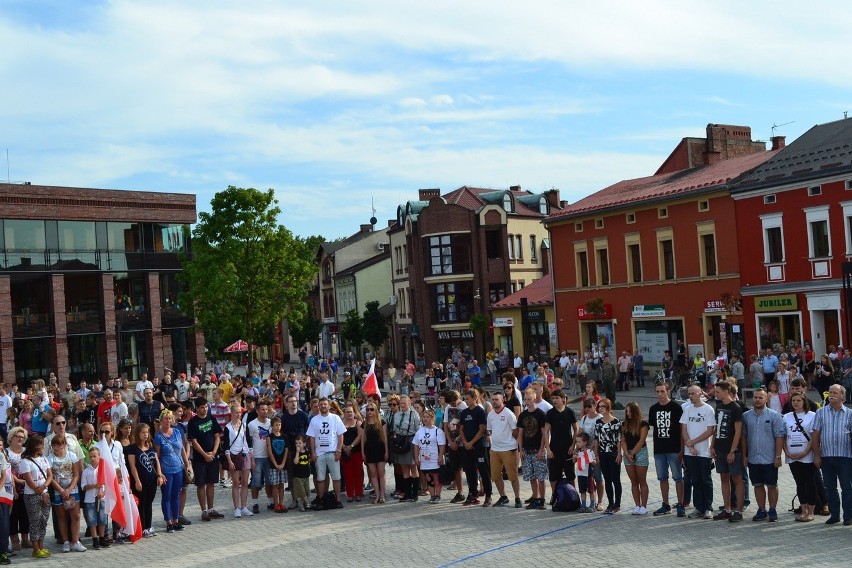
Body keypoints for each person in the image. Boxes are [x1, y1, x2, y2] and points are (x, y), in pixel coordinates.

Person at [742, 387, 786, 522]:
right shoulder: (746, 416)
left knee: (772, 485)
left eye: (760, 397)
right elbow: (743, 437)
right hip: (753, 458)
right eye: (755, 397)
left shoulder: (774, 416)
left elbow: (779, 436)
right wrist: (744, 456)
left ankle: (772, 510)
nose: (757, 400)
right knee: (757, 485)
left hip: (769, 459)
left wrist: (778, 456)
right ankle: (761, 509)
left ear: (766, 399)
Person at [812, 384, 852, 526]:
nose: (832, 395)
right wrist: (817, 455)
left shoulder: (850, 413)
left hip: (845, 456)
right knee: (830, 487)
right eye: (830, 392)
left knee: (847, 487)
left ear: (842, 396)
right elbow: (815, 435)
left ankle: (848, 515)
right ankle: (834, 515)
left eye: (835, 392)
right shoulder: (821, 413)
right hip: (827, 456)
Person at [648, 381, 685, 517]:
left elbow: (682, 430)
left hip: (674, 448)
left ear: (668, 391)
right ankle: (665, 504)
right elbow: (652, 429)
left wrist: (682, 449)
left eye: (662, 391)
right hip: (659, 449)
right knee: (662, 478)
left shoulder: (676, 407)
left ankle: (680, 504)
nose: (660, 394)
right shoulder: (653, 409)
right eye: (657, 391)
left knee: (678, 477)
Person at [680, 384, 716, 519]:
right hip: (690, 452)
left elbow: (710, 430)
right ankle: (698, 507)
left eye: (693, 394)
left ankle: (708, 507)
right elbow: (684, 429)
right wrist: (689, 446)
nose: (690, 396)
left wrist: (693, 442)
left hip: (704, 452)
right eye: (689, 394)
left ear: (700, 393)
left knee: (705, 480)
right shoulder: (687, 409)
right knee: (694, 479)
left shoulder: (708, 409)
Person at [711, 381, 745, 522]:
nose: (716, 394)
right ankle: (727, 508)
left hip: (732, 451)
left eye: (718, 391)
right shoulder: (718, 407)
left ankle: (738, 510)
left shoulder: (736, 408)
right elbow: (716, 428)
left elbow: (738, 432)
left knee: (737, 479)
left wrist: (733, 451)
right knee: (723, 479)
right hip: (719, 449)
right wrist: (712, 446)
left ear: (726, 392)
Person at [153, 409, 189, 533]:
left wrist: (187, 463)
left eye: (170, 418)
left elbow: (182, 449)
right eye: (165, 419)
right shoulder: (158, 437)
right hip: (166, 470)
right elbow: (156, 456)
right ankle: (168, 522)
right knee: (166, 496)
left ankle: (176, 520)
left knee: (176, 495)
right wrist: (160, 473)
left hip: (178, 468)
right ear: (161, 420)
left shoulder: (177, 432)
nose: (168, 421)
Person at [47, 435, 86, 552]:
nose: (56, 447)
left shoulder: (72, 456)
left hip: (72, 491)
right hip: (58, 492)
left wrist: (69, 489)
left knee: (75, 516)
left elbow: (76, 474)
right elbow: (51, 477)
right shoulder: (50, 458)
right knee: (62, 517)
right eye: (53, 445)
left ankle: (75, 541)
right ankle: (65, 542)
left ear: (64, 445)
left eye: (58, 444)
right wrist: (61, 490)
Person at [307, 398, 346, 510]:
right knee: (320, 478)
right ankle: (321, 499)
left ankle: (338, 500)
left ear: (329, 406)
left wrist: (339, 450)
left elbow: (340, 435)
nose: (323, 406)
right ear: (318, 406)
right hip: (319, 453)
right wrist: (313, 452)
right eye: (321, 404)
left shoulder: (335, 418)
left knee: (336, 477)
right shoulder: (314, 420)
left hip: (332, 452)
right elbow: (312, 437)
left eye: (325, 404)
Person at [783, 392, 818, 522]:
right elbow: (783, 436)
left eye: (798, 400)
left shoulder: (812, 416)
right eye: (793, 400)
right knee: (799, 483)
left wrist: (806, 452)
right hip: (792, 455)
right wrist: (786, 452)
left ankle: (811, 511)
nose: (796, 403)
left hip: (807, 456)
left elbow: (814, 436)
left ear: (804, 402)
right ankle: (803, 510)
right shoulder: (786, 417)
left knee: (810, 482)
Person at [187, 398, 223, 521]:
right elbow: (194, 441)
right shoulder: (193, 422)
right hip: (199, 458)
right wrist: (204, 455)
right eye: (202, 407)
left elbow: (217, 436)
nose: (205, 409)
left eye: (206, 407)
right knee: (201, 484)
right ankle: (203, 511)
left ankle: (211, 509)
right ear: (197, 408)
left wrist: (214, 451)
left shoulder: (212, 419)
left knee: (211, 483)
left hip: (212, 456)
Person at [19, 434, 52, 559]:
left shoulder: (43, 458)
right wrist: (41, 492)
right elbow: (29, 481)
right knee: (35, 521)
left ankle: (41, 546)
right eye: (40, 444)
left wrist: (44, 488)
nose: (42, 446)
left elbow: (50, 475)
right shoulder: (25, 461)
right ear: (33, 446)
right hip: (32, 495)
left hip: (45, 492)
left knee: (43, 521)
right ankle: (35, 549)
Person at [126, 423, 162, 537]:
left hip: (151, 479)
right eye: (143, 432)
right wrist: (137, 481)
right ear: (138, 434)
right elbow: (133, 466)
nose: (145, 435)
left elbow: (157, 462)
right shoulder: (133, 448)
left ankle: (148, 526)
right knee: (141, 504)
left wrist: (160, 475)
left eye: (147, 432)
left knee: (149, 503)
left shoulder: (150, 446)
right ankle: (142, 527)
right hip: (141, 480)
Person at [487, 391, 521, 508]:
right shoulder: (490, 415)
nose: (494, 401)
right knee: (496, 476)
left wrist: (516, 448)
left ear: (502, 400)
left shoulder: (509, 414)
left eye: (497, 399)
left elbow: (515, 431)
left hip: (508, 448)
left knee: (513, 476)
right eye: (493, 399)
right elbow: (490, 431)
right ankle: (503, 497)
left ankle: (517, 498)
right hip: (495, 449)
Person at [543, 390, 578, 505]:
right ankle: (555, 496)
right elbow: (546, 431)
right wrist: (548, 449)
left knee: (570, 474)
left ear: (563, 399)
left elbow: (576, 429)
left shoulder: (570, 412)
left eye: (557, 398)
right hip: (554, 448)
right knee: (553, 475)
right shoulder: (550, 413)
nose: (554, 400)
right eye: (553, 398)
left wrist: (573, 446)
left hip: (568, 448)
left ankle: (574, 496)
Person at [517, 390, 548, 510]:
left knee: (541, 477)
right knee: (531, 477)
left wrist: (541, 449)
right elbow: (520, 433)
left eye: (529, 399)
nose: (527, 402)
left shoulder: (540, 414)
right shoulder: (523, 415)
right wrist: (521, 450)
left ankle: (542, 500)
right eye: (526, 399)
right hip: (527, 449)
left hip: (537, 449)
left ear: (534, 399)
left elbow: (544, 433)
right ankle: (535, 498)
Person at [389, 395, 422, 502]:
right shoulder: (397, 415)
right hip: (400, 441)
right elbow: (395, 429)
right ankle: (407, 493)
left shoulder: (414, 414)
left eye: (405, 403)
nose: (403, 405)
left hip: (411, 441)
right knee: (404, 468)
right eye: (401, 403)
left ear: (409, 403)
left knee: (413, 467)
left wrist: (417, 446)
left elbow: (418, 430)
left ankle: (415, 493)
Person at [223, 400, 252, 517]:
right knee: (236, 483)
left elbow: (248, 442)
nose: (238, 415)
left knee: (245, 482)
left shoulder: (244, 426)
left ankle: (244, 506)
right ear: (231, 413)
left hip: (244, 455)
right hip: (233, 455)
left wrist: (251, 457)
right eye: (236, 412)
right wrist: (229, 461)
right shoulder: (228, 427)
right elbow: (226, 445)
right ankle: (236, 508)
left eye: (239, 412)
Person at [621, 401, 649, 515]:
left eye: (629, 411)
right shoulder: (624, 424)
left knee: (642, 480)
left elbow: (642, 440)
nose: (628, 414)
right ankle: (637, 505)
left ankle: (644, 506)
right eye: (626, 411)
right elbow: (622, 440)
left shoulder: (643, 424)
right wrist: (627, 453)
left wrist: (633, 453)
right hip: (628, 453)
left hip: (640, 451)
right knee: (633, 481)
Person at [594, 398, 622, 514]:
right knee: (607, 480)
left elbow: (619, 439)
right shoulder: (598, 422)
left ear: (608, 408)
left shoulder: (616, 422)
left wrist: (619, 454)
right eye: (599, 406)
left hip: (613, 452)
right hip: (602, 453)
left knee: (616, 479)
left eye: (603, 406)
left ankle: (617, 504)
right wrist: (596, 454)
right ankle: (610, 503)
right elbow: (596, 439)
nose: (600, 409)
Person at [246, 399, 274, 514]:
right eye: (262, 409)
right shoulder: (252, 424)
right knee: (256, 482)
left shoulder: (270, 423)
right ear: (257, 411)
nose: (265, 411)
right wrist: (251, 456)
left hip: (269, 456)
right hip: (257, 456)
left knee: (269, 481)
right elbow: (248, 441)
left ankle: (270, 501)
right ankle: (255, 503)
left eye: (266, 409)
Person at [412, 408, 445, 504]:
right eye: (424, 417)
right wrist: (416, 457)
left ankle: (438, 495)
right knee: (428, 478)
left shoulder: (438, 431)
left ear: (432, 418)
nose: (425, 419)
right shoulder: (420, 431)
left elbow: (442, 445)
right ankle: (432, 495)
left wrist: (440, 456)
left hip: (434, 458)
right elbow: (416, 445)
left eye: (427, 417)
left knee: (436, 477)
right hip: (424, 459)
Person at [80, 447, 111, 549]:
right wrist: (94, 486)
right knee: (92, 520)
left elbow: (107, 484)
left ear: (99, 457)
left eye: (95, 456)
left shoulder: (102, 470)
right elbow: (83, 486)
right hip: (90, 499)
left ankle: (102, 538)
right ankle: (95, 539)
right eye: (91, 457)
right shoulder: (86, 471)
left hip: (101, 498)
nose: (92, 459)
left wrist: (103, 493)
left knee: (102, 519)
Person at [359, 401, 388, 504]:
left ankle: (383, 495)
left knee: (381, 473)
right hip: (369, 450)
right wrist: (363, 453)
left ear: (376, 410)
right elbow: (362, 440)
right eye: (368, 410)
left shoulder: (382, 422)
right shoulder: (364, 424)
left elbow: (384, 438)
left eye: (372, 409)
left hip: (380, 449)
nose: (369, 411)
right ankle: (377, 495)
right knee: (373, 475)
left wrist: (386, 451)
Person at [340, 406, 363, 503]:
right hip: (344, 452)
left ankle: (358, 493)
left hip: (356, 451)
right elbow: (338, 435)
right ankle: (350, 494)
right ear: (344, 413)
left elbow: (360, 436)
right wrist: (344, 446)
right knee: (347, 473)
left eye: (351, 412)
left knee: (358, 473)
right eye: (347, 412)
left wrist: (351, 446)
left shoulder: (358, 423)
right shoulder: (341, 423)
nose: (349, 414)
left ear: (354, 413)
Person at [266, 416, 289, 512]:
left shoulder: (284, 436)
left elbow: (286, 451)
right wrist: (275, 464)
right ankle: (276, 504)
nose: (278, 427)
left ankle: (281, 503)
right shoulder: (269, 437)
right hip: (273, 465)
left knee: (281, 484)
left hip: (283, 465)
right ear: (272, 426)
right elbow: (270, 452)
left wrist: (283, 463)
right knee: (274, 485)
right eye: (276, 425)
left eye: (279, 425)